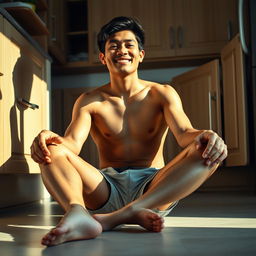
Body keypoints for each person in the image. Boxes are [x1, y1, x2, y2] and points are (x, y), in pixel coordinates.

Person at [31, 16, 227, 246]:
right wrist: (48, 138)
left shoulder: (162, 93)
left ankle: (125, 213)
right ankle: (77, 212)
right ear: (103, 58)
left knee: (208, 149)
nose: (121, 50)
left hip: (154, 188)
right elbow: (71, 144)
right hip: (106, 189)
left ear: (141, 54)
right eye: (113, 45)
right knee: (50, 150)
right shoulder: (89, 100)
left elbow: (185, 133)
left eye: (128, 44)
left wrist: (204, 135)